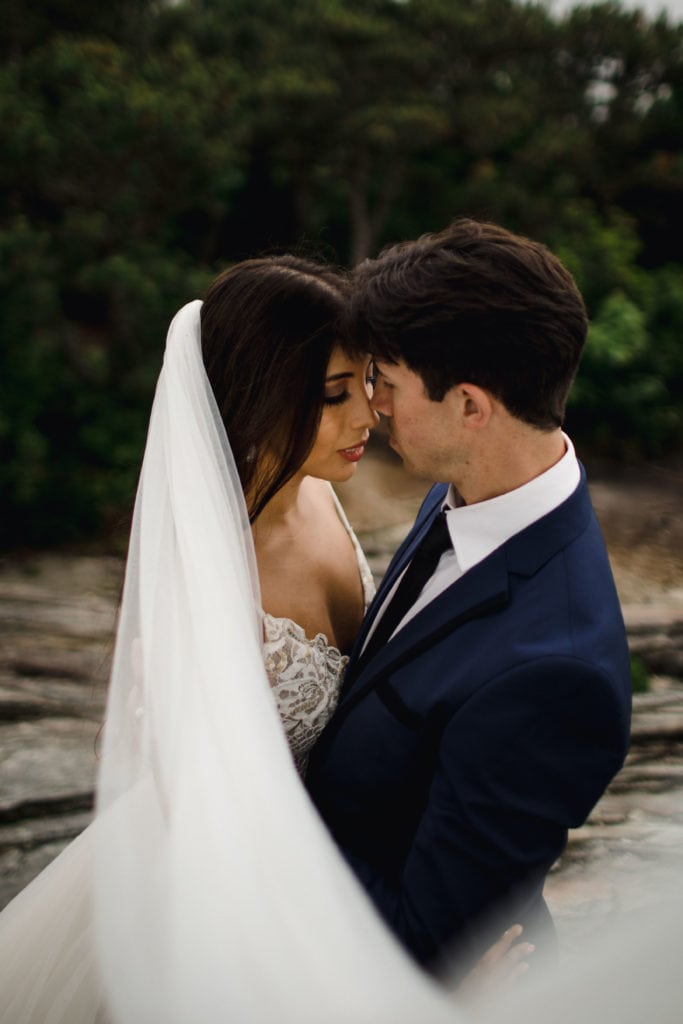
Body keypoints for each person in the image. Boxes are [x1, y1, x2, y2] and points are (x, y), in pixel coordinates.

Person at [0, 255, 524, 1024]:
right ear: (256, 397)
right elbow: (224, 846)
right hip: (219, 900)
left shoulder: (315, 490)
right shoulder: (212, 581)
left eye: (365, 385)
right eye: (330, 397)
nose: (364, 419)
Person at [306, 219, 633, 983]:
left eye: (385, 380)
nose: (371, 402)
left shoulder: (555, 675)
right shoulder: (465, 489)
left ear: (470, 405)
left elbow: (427, 936)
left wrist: (249, 808)